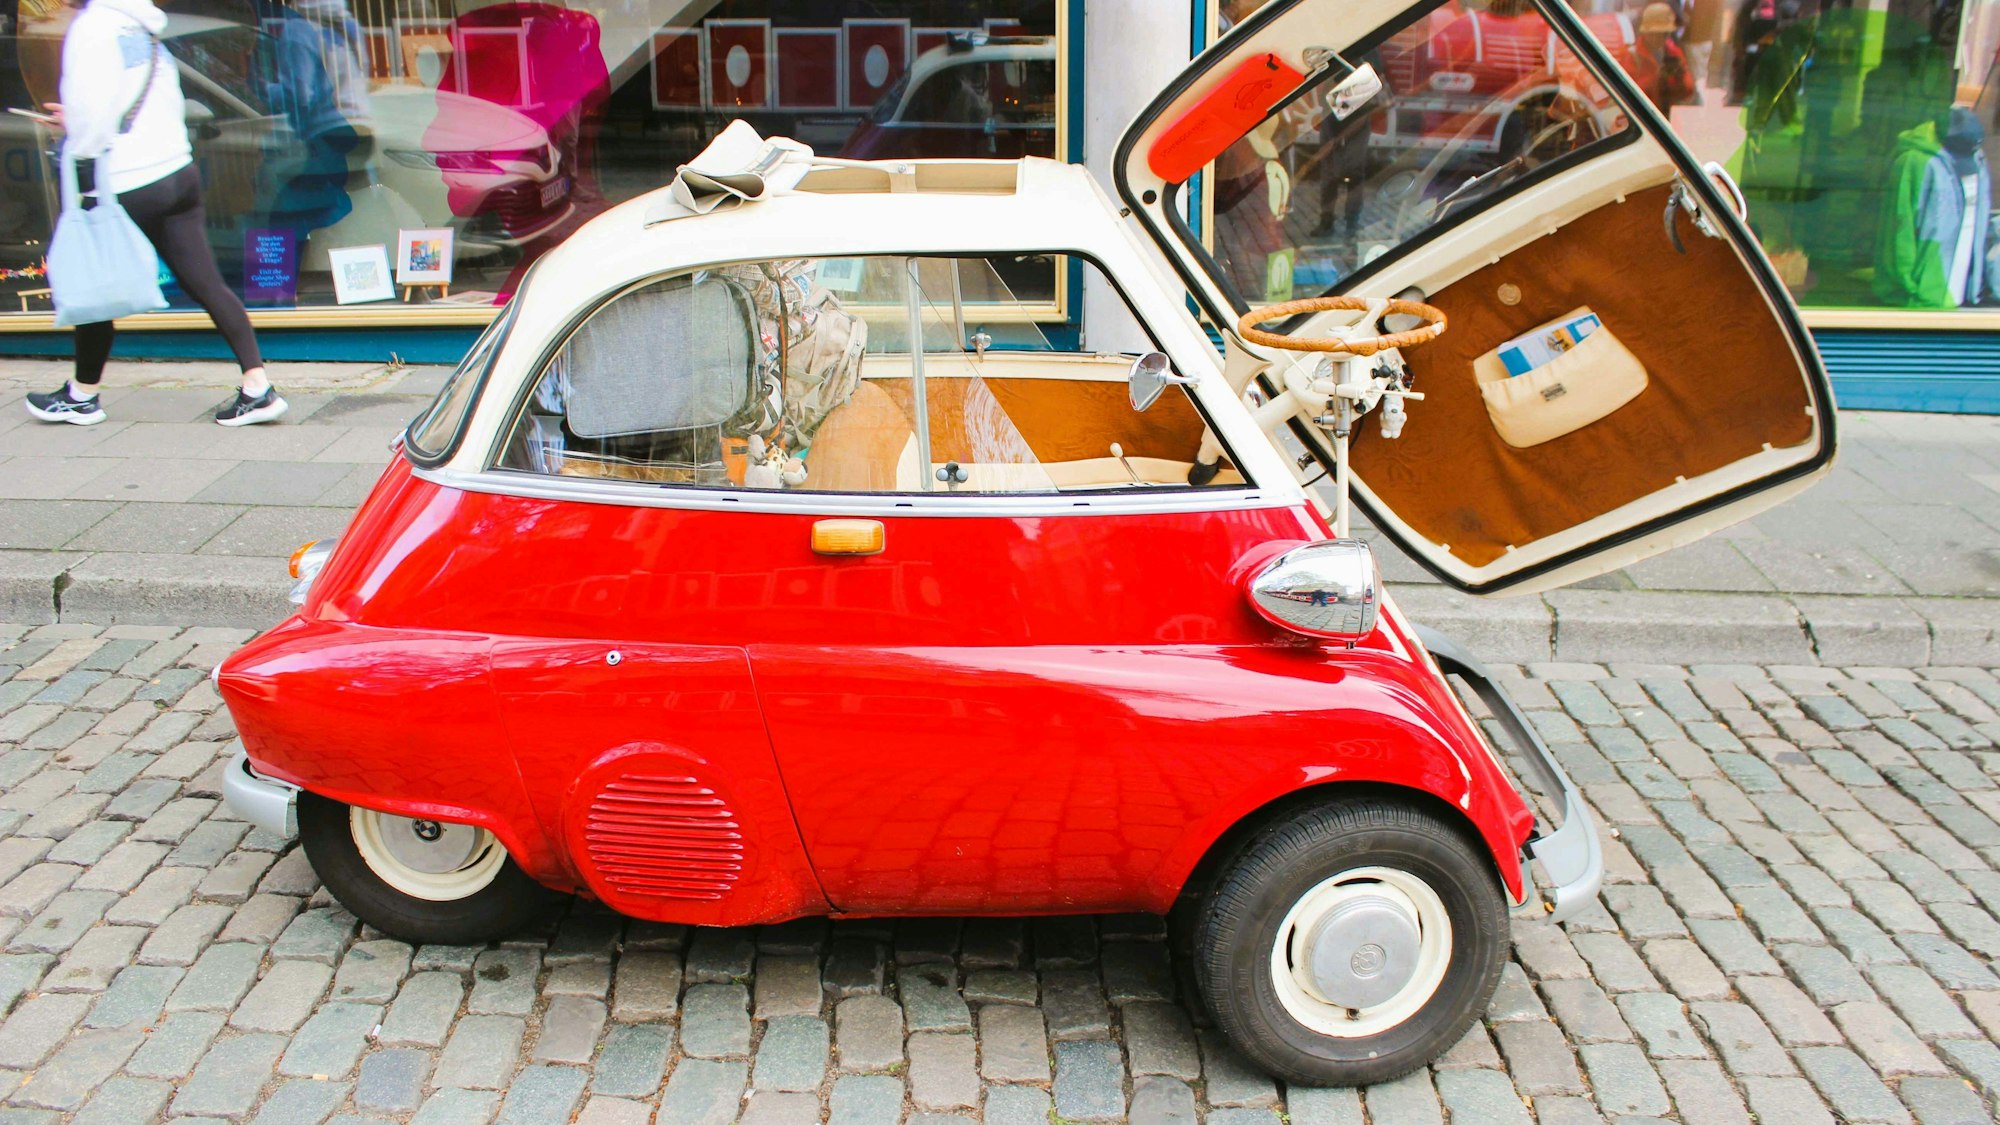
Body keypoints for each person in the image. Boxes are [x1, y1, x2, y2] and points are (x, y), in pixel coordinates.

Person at [24, 0, 287, 427]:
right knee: (207, 282)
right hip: (176, 169)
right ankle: (258, 386)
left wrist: (78, 140)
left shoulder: (92, 28)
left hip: (128, 176)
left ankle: (82, 396)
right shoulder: (143, 29)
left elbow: (92, 115)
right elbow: (155, 100)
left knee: (96, 284)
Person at [1630, 2, 1697, 113]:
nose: (1658, 38)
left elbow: (1688, 92)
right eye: (1653, 33)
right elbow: (1627, 95)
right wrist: (1657, 80)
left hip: (1665, 118)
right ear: (1645, 32)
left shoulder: (1674, 53)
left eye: (1662, 33)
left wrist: (1679, 80)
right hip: (1642, 116)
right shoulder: (1633, 56)